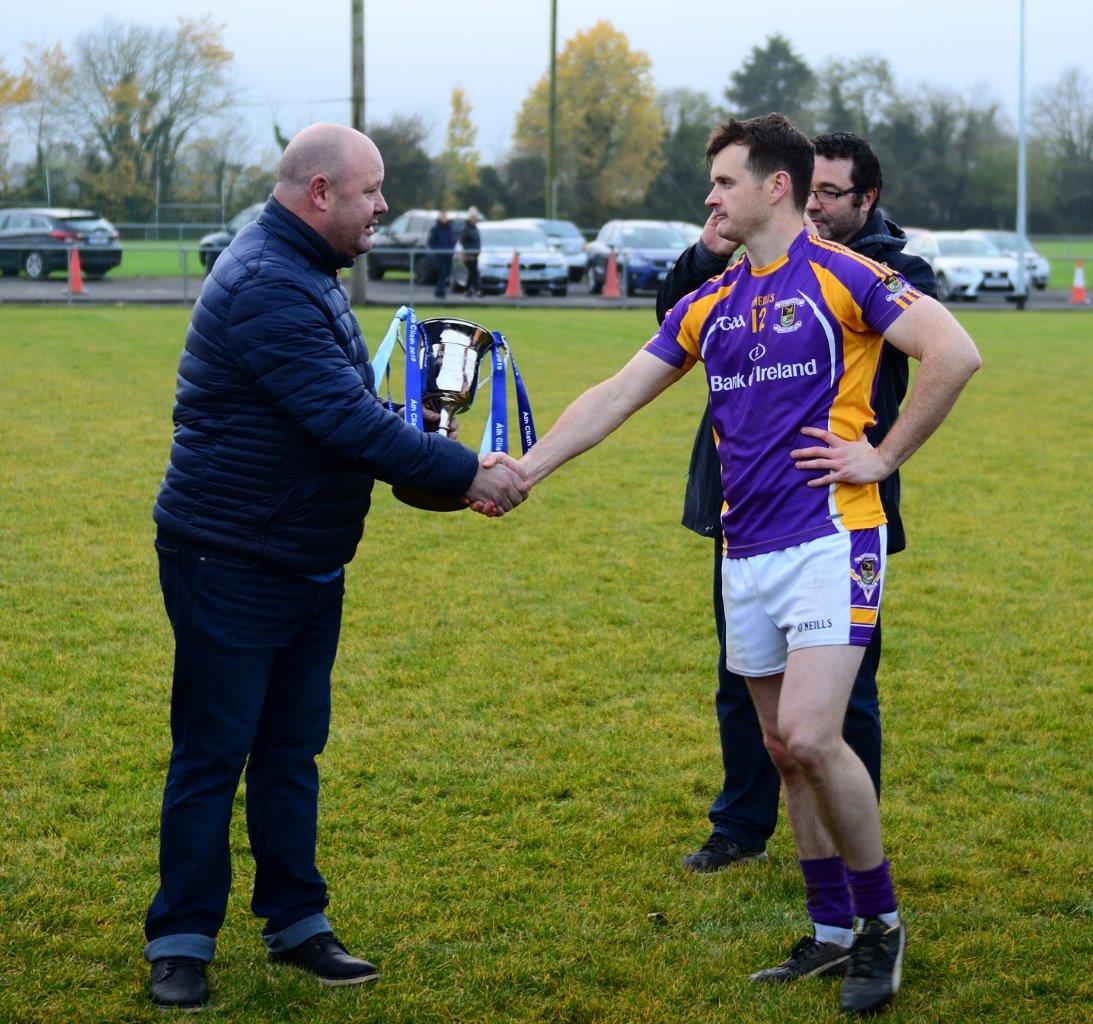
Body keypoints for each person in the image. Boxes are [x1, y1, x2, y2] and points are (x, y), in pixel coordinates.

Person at [516, 113, 980, 1014]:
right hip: (745, 549)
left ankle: (880, 923)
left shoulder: (845, 276)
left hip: (832, 536)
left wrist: (881, 459)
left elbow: (953, 354)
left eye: (723, 180)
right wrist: (526, 471)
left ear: (776, 186)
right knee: (779, 748)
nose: (709, 196)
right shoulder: (712, 299)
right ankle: (829, 931)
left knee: (810, 734)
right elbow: (617, 392)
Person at [144, 123, 530, 1011]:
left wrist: (431, 455)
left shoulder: (304, 272)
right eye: (370, 191)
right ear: (319, 192)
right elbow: (344, 423)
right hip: (229, 556)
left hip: (303, 557)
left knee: (289, 752)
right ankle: (180, 939)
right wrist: (467, 472)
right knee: (213, 752)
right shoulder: (268, 283)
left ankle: (296, 922)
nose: (384, 206)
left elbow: (352, 411)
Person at [660, 132, 937, 878]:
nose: (816, 203)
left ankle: (858, 855)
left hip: (835, 508)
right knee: (754, 700)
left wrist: (879, 457)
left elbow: (944, 348)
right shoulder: (729, 278)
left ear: (863, 199)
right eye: (810, 190)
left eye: (830, 193)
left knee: (839, 708)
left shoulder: (877, 269)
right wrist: (724, 244)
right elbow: (667, 326)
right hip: (743, 513)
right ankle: (743, 827)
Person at [427, 210, 456, 300]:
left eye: (445, 216)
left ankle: (438, 293)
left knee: (445, 274)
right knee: (442, 274)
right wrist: (437, 250)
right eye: (442, 216)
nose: (444, 218)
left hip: (448, 256)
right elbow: (431, 242)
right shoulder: (435, 229)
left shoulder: (449, 228)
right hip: (440, 256)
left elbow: (452, 240)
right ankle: (440, 294)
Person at [459, 209, 482, 298]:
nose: (474, 219)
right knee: (474, 272)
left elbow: (477, 241)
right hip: (469, 255)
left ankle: (467, 290)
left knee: (472, 273)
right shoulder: (466, 228)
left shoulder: (475, 228)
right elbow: (463, 241)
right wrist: (469, 251)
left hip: (475, 254)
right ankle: (477, 290)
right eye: (473, 217)